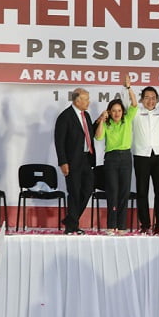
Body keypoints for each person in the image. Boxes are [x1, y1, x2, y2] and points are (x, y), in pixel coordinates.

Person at [121, 84, 159, 235]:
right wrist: (127, 87)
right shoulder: (136, 112)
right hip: (141, 156)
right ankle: (145, 224)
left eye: (153, 98)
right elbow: (126, 101)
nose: (150, 101)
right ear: (141, 99)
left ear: (157, 100)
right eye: (147, 98)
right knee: (142, 191)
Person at [95, 75, 138, 235]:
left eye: (119, 110)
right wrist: (101, 120)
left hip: (126, 157)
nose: (117, 113)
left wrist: (128, 88)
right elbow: (98, 137)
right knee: (112, 191)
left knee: (124, 192)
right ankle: (111, 225)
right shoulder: (107, 124)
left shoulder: (127, 120)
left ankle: (121, 226)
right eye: (113, 111)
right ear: (109, 112)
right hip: (111, 159)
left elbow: (134, 104)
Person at [54, 88, 96, 235]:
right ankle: (72, 226)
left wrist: (99, 121)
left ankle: (71, 220)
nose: (88, 102)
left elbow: (88, 133)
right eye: (86, 99)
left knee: (88, 188)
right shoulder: (65, 117)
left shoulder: (87, 116)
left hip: (86, 159)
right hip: (72, 161)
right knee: (74, 192)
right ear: (77, 100)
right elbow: (59, 141)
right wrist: (63, 162)